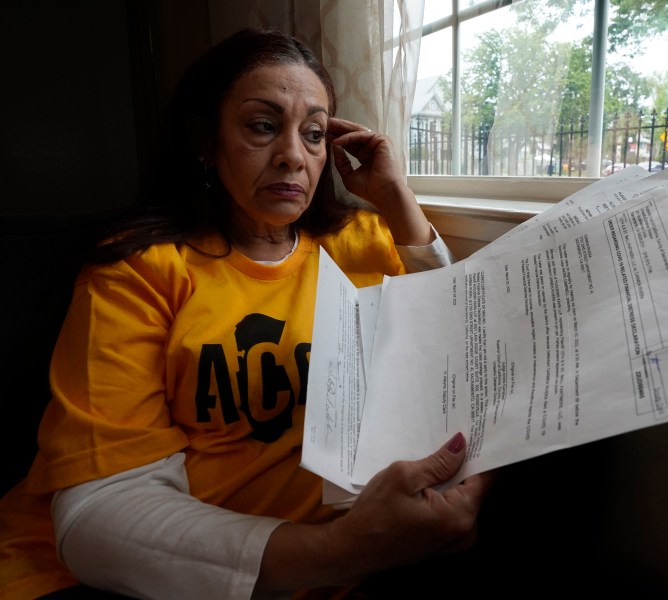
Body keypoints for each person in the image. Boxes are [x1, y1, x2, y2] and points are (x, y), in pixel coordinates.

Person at [0, 28, 493, 599]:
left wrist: (394, 195)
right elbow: (98, 514)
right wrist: (347, 548)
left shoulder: (360, 240)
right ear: (206, 140)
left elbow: (459, 335)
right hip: (117, 575)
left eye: (313, 135)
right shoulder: (140, 272)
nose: (293, 155)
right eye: (262, 126)